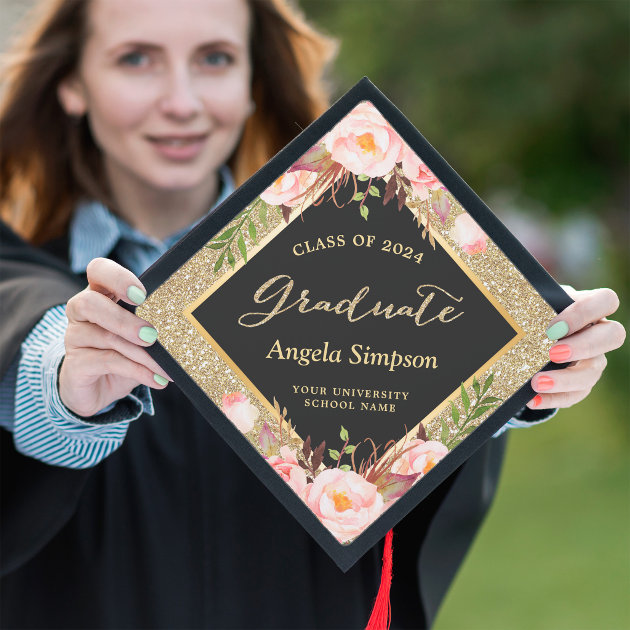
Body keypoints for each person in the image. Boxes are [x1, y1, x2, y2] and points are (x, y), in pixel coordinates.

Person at [0, 0, 625, 627]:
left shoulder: (361, 272)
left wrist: (521, 354)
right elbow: (29, 332)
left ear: (253, 83)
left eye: (215, 59)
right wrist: (67, 384)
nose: (182, 101)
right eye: (136, 59)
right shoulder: (24, 289)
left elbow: (405, 413)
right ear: (72, 84)